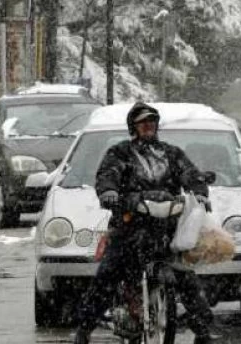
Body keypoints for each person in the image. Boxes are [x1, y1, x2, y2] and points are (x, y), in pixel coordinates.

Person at [72, 102, 218, 344]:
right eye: (142, 122)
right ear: (133, 127)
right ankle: (84, 329)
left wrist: (200, 191)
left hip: (166, 230)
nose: (148, 125)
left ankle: (203, 331)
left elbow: (190, 174)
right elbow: (108, 175)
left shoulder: (172, 153)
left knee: (185, 277)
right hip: (130, 227)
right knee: (108, 274)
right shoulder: (120, 153)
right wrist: (109, 192)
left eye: (152, 121)